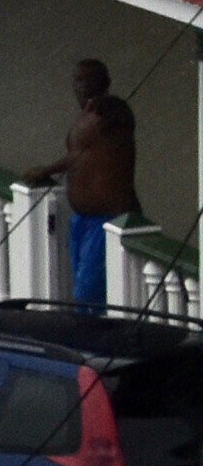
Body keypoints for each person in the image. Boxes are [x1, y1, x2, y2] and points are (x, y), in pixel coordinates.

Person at [27, 56, 144, 306]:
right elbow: (78, 156)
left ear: (104, 82)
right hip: (82, 220)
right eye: (77, 81)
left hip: (108, 221)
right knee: (81, 290)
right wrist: (47, 170)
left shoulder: (114, 112)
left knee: (88, 296)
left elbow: (116, 124)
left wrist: (47, 168)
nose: (80, 87)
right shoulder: (86, 116)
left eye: (88, 80)